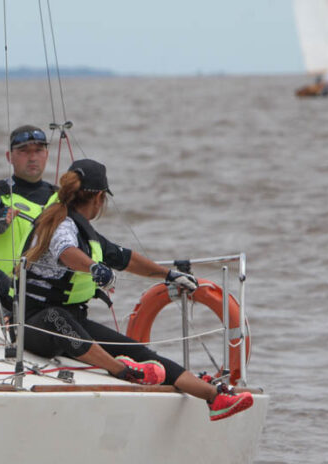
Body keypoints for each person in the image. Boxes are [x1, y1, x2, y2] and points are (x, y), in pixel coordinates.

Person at [19, 158, 253, 422]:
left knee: (138, 351)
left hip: (73, 321)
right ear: (99, 198)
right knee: (56, 318)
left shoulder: (87, 233)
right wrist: (94, 268)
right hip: (33, 324)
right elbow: (66, 251)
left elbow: (127, 259)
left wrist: (169, 274)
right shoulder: (61, 226)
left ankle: (214, 397)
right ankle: (122, 371)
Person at [0, 125, 56, 278]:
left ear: (46, 155)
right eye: (24, 151)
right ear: (9, 157)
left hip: (43, 290)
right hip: (1, 288)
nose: (32, 158)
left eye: (38, 151)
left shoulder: (60, 198)